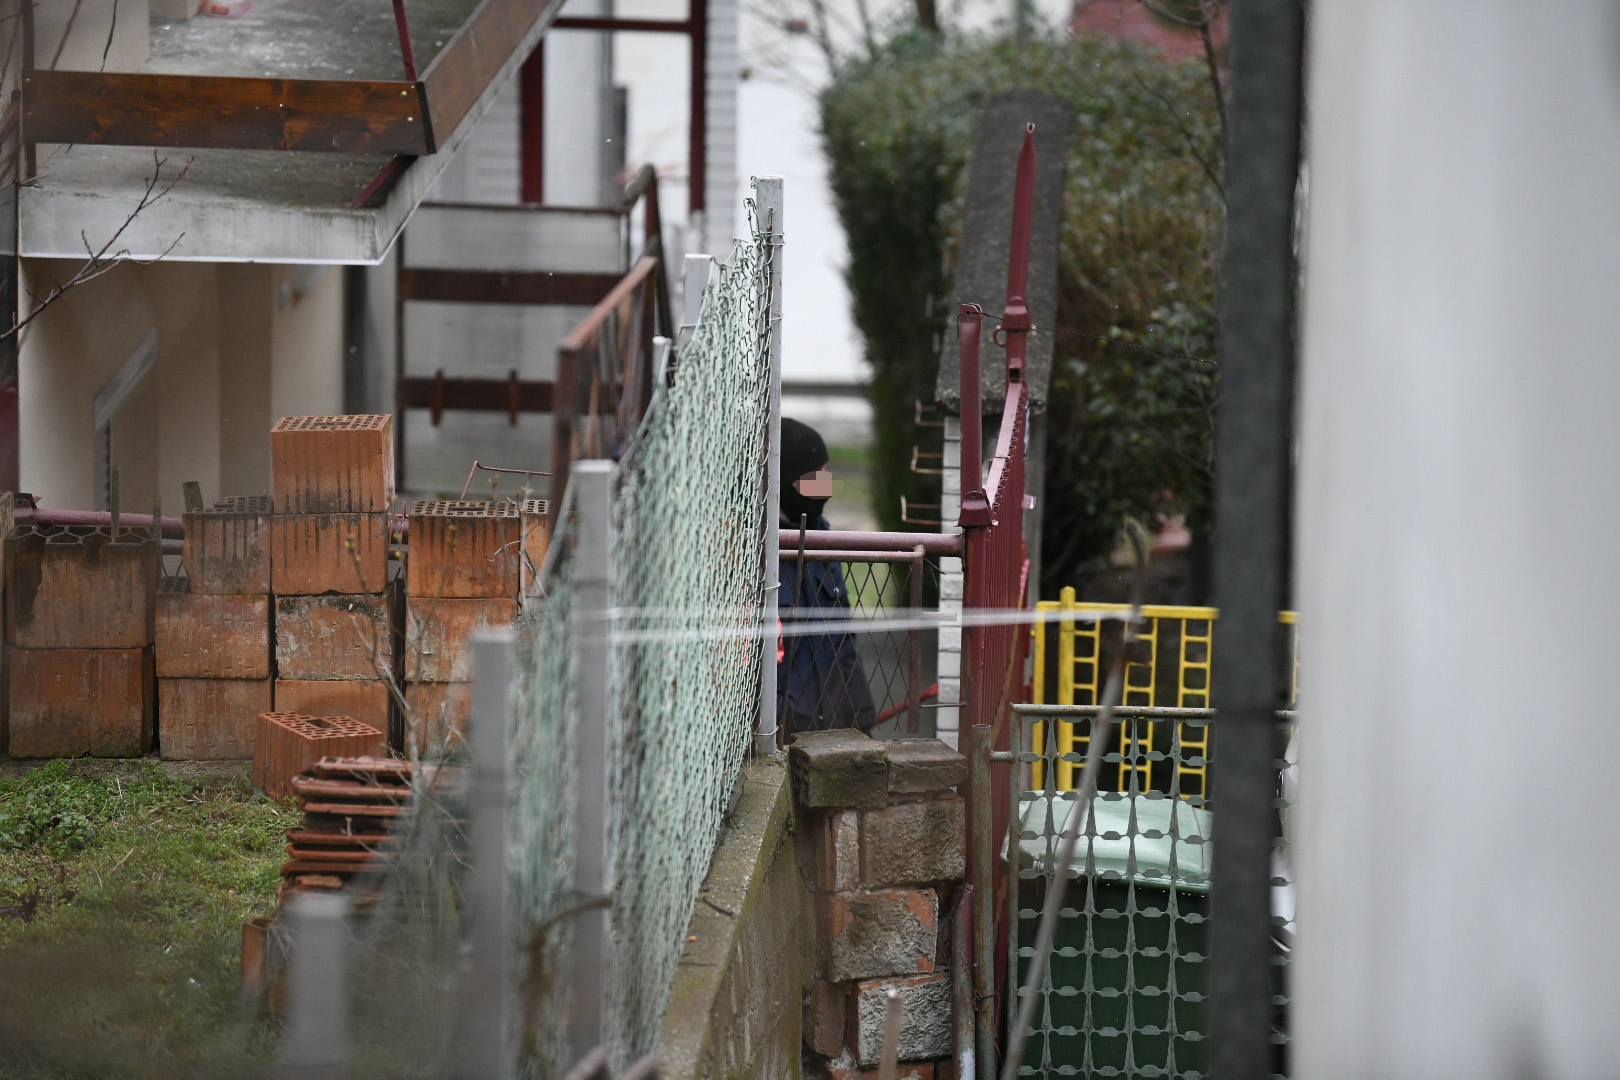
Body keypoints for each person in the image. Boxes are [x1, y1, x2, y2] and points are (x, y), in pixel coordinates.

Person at [778, 418, 878, 736]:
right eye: (813, 477)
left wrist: (860, 717)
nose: (825, 486)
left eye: (825, 472)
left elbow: (841, 639)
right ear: (781, 482)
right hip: (780, 726)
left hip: (836, 717)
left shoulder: (821, 534)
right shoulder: (746, 549)